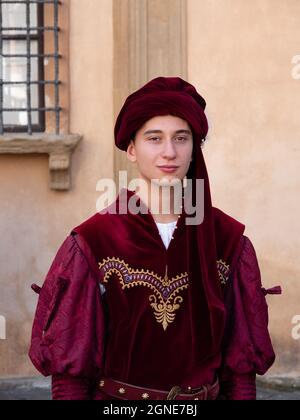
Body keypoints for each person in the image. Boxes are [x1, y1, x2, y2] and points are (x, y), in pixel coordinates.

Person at [29, 77, 281, 400]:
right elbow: (70, 380)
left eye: (181, 138)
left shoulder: (229, 242)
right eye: (154, 139)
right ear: (131, 149)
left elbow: (240, 375)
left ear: (194, 148)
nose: (169, 152)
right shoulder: (93, 242)